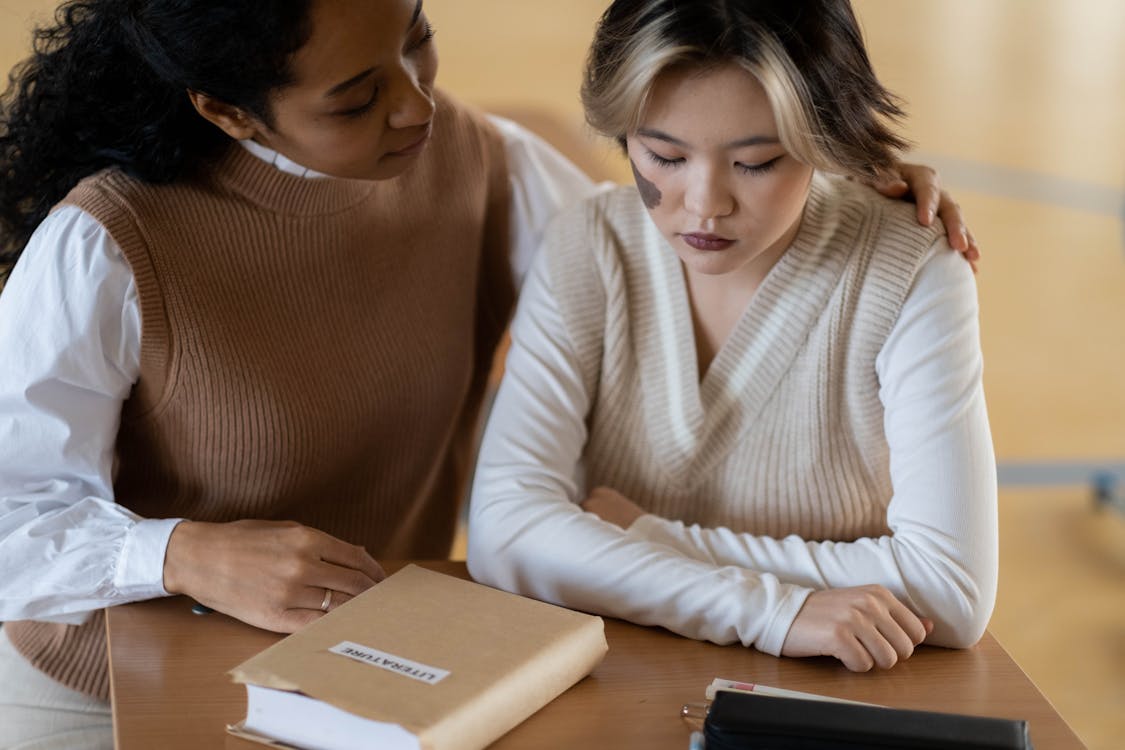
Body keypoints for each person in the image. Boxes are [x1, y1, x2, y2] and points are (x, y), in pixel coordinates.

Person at [0, 0, 975, 746]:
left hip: (375, 667)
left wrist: (845, 175)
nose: (417, 103)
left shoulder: (484, 167)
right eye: (357, 96)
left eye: (415, 41)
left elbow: (665, 233)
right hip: (113, 674)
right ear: (231, 112)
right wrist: (177, 554)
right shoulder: (106, 241)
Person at [467, 0, 997, 675]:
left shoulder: (911, 269)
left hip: (839, 694)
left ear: (825, 143)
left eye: (756, 163)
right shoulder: (587, 242)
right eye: (662, 154)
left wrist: (637, 537)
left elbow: (948, 591)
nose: (703, 202)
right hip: (621, 681)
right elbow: (505, 534)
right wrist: (773, 611)